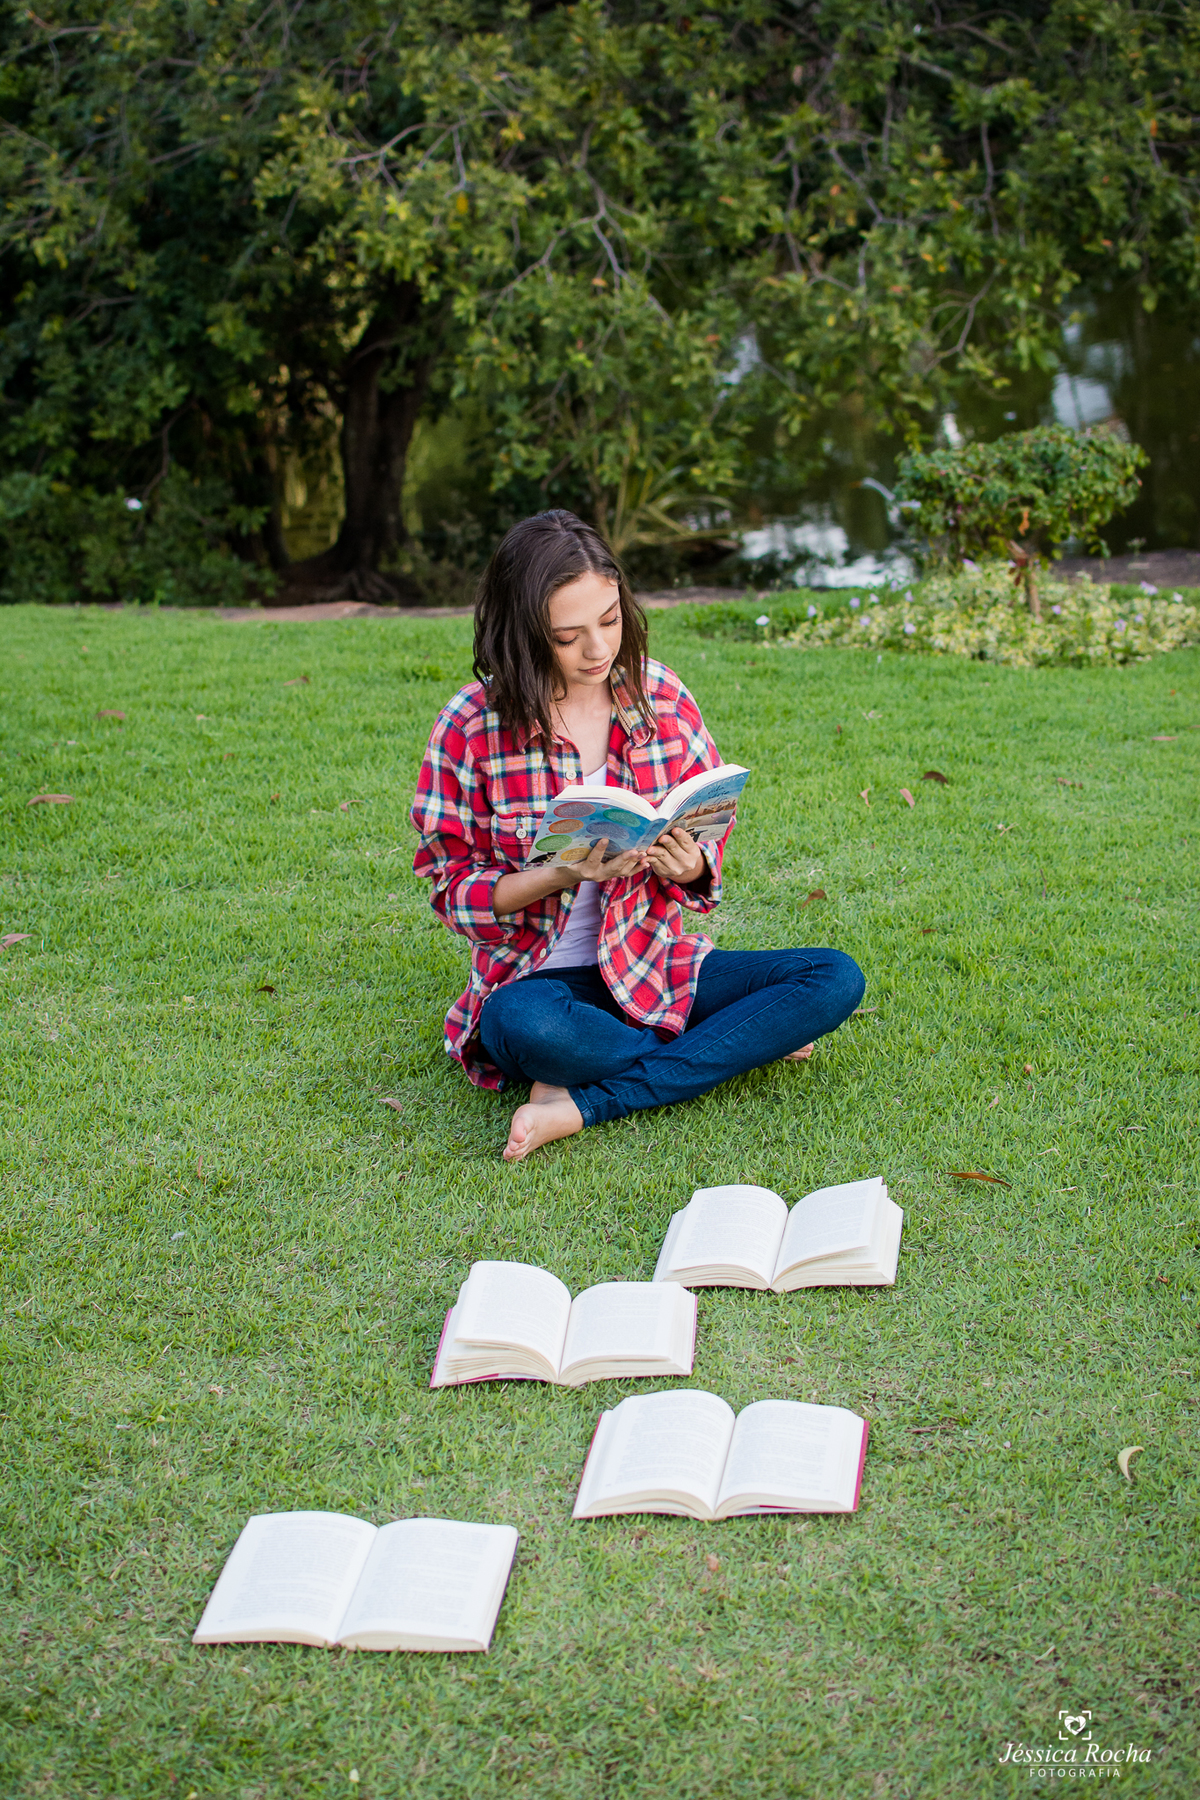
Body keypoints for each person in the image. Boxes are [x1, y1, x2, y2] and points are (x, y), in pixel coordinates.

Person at [410, 510, 865, 1161]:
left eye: (610, 620)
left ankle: (582, 1103)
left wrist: (689, 868)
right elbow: (450, 892)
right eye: (568, 636)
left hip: (655, 964)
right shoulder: (470, 726)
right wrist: (558, 874)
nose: (598, 650)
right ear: (523, 632)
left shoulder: (661, 695)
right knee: (522, 1026)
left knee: (833, 978)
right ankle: (738, 1041)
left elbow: (710, 830)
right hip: (541, 984)